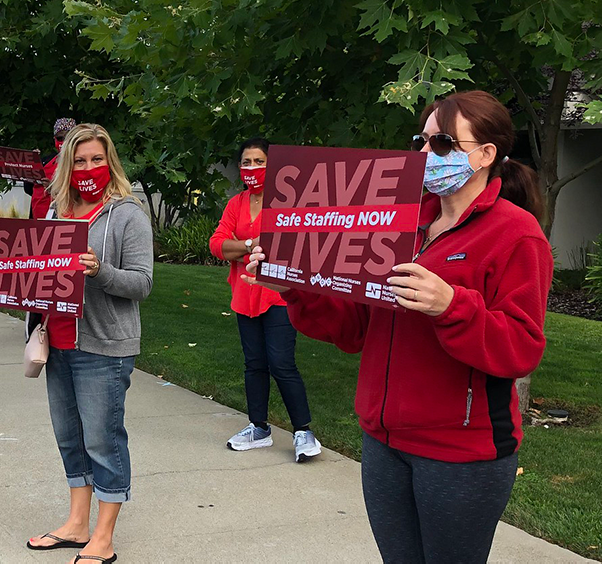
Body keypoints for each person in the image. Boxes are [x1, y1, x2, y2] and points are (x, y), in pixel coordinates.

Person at [243, 90, 552, 563]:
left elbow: (521, 349)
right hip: (384, 442)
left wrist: (450, 305)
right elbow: (355, 330)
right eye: (421, 141)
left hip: (459, 452)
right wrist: (294, 284)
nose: (425, 155)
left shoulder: (516, 233)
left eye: (443, 144)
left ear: (486, 154)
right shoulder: (400, 226)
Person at [0, 123, 153, 564]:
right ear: (67, 164)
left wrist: (100, 272)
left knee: (103, 439)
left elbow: (142, 283)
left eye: (97, 159)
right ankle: (78, 523)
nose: (88, 167)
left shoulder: (128, 213)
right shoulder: (56, 212)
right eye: (79, 160)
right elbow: (37, 273)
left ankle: (104, 535)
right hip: (57, 342)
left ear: (110, 161)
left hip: (104, 346)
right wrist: (5, 268)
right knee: (70, 438)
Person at [209, 138, 320, 461]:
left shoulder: (287, 204)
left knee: (282, 364)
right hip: (245, 295)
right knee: (254, 364)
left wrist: (242, 246)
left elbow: (287, 246)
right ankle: (258, 428)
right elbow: (217, 245)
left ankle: (303, 431)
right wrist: (249, 245)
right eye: (246, 162)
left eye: (259, 162)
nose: (252, 169)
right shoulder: (236, 204)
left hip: (279, 296)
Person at [22, 117, 76, 219]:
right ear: (54, 139)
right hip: (36, 218)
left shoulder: (78, 163)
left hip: (61, 219)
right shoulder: (45, 161)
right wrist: (31, 166)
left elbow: (77, 195)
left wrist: (53, 189)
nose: (63, 142)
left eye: (67, 138)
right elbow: (29, 189)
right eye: (60, 138)